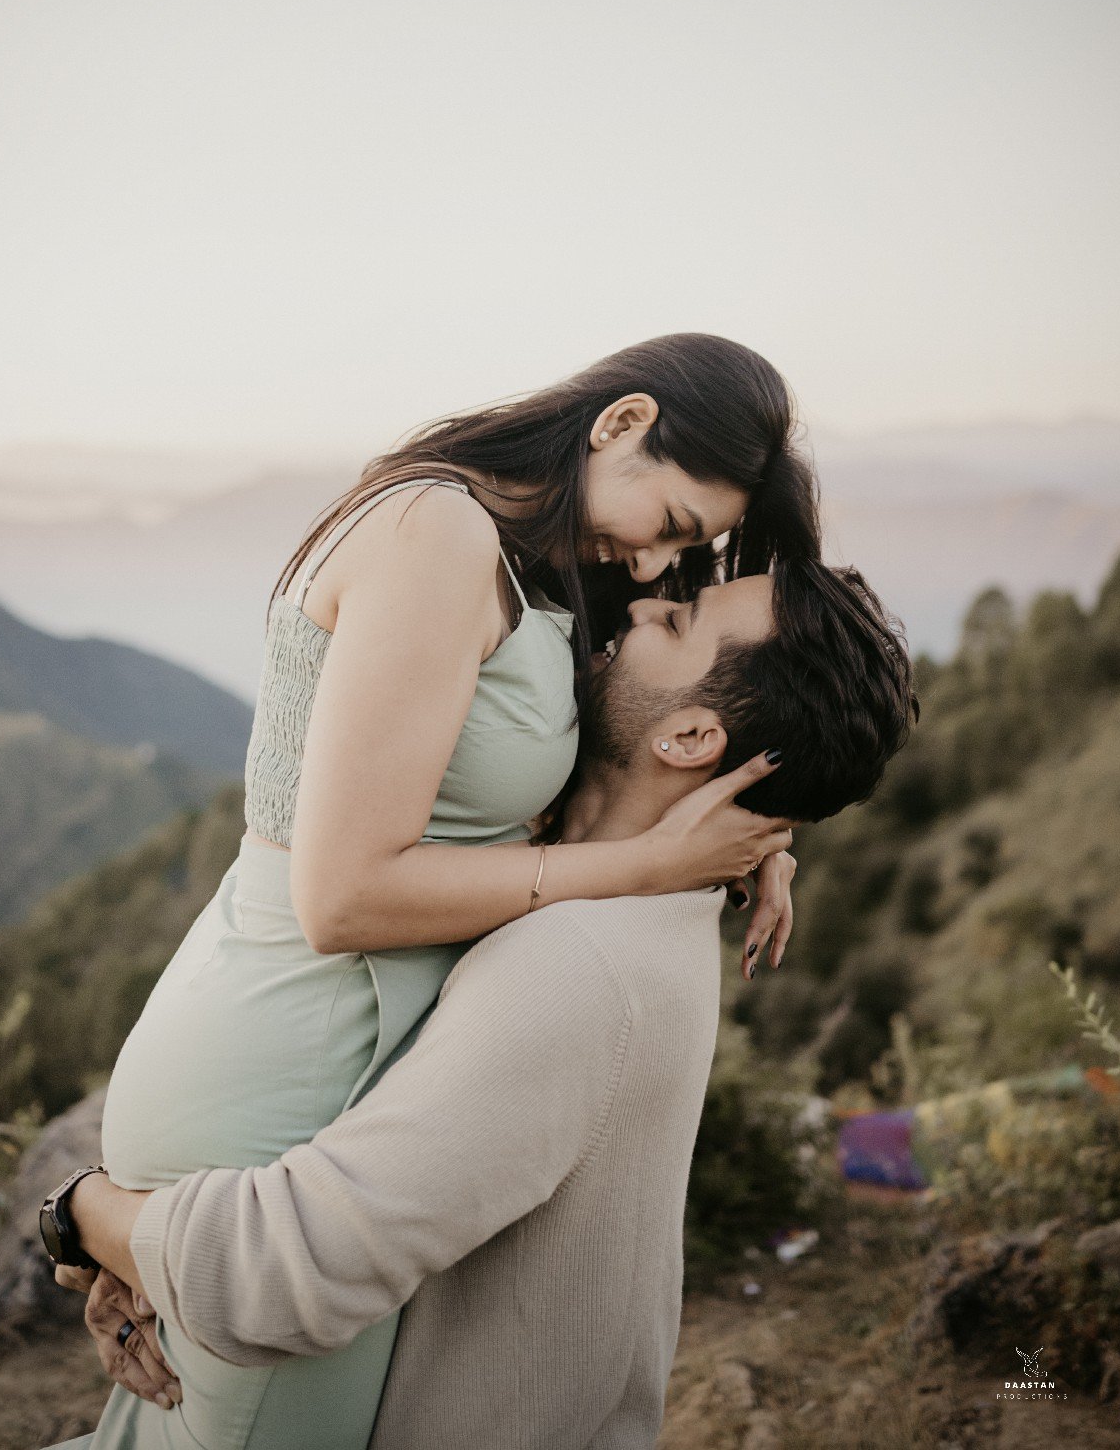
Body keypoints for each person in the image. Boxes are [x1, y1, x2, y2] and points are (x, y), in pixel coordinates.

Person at [53, 335, 817, 1449]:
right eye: (669, 529)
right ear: (620, 423)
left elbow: (692, 703)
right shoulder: (437, 533)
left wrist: (755, 831)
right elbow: (344, 898)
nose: (658, 570)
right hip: (294, 1051)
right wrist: (645, 868)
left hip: (363, 1063)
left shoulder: (536, 550)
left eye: (687, 552)